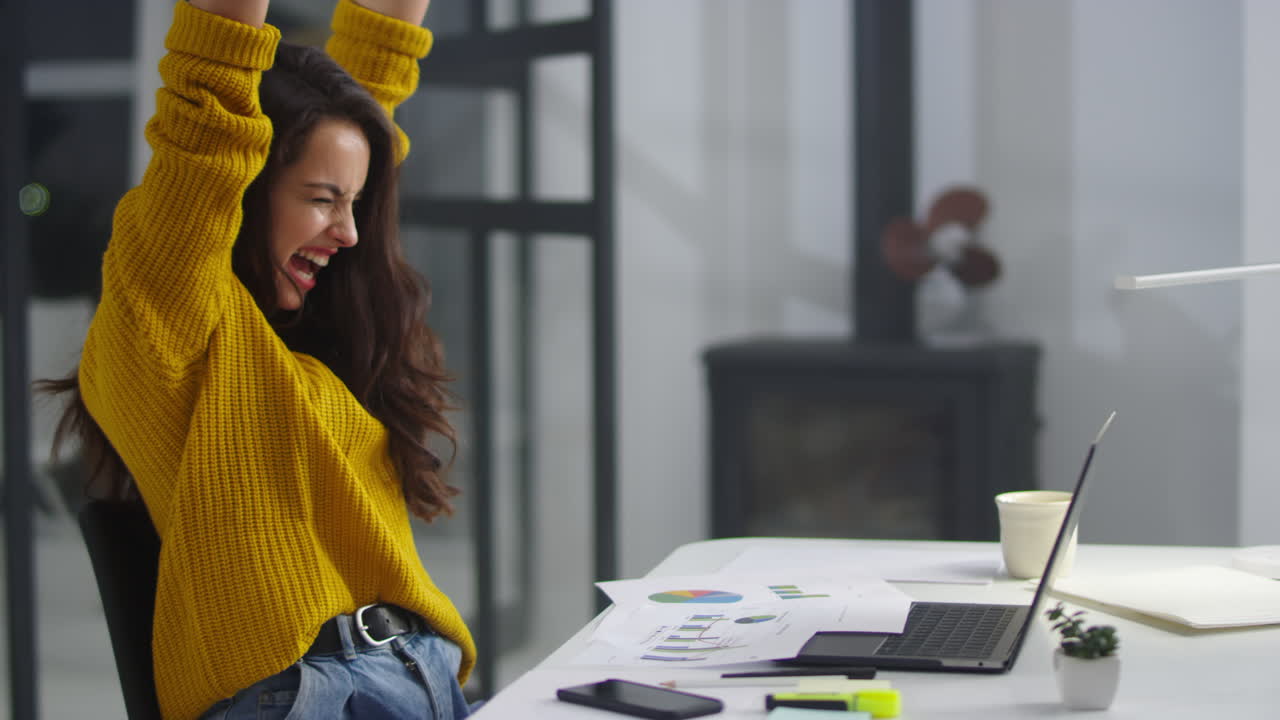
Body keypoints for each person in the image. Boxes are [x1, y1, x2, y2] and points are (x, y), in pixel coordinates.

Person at [37, 0, 476, 717]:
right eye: (323, 201)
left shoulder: (294, 343)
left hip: (420, 675)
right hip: (308, 695)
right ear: (239, 189)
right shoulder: (169, 322)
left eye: (355, 202)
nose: (350, 233)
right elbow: (207, 103)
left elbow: (374, 76)